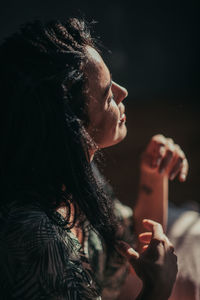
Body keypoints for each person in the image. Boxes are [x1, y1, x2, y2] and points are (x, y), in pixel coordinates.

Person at [0, 18, 188, 300]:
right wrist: (156, 290)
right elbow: (144, 274)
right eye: (107, 94)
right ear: (72, 130)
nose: (122, 93)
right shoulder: (38, 241)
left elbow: (135, 247)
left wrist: (153, 177)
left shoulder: (74, 175)